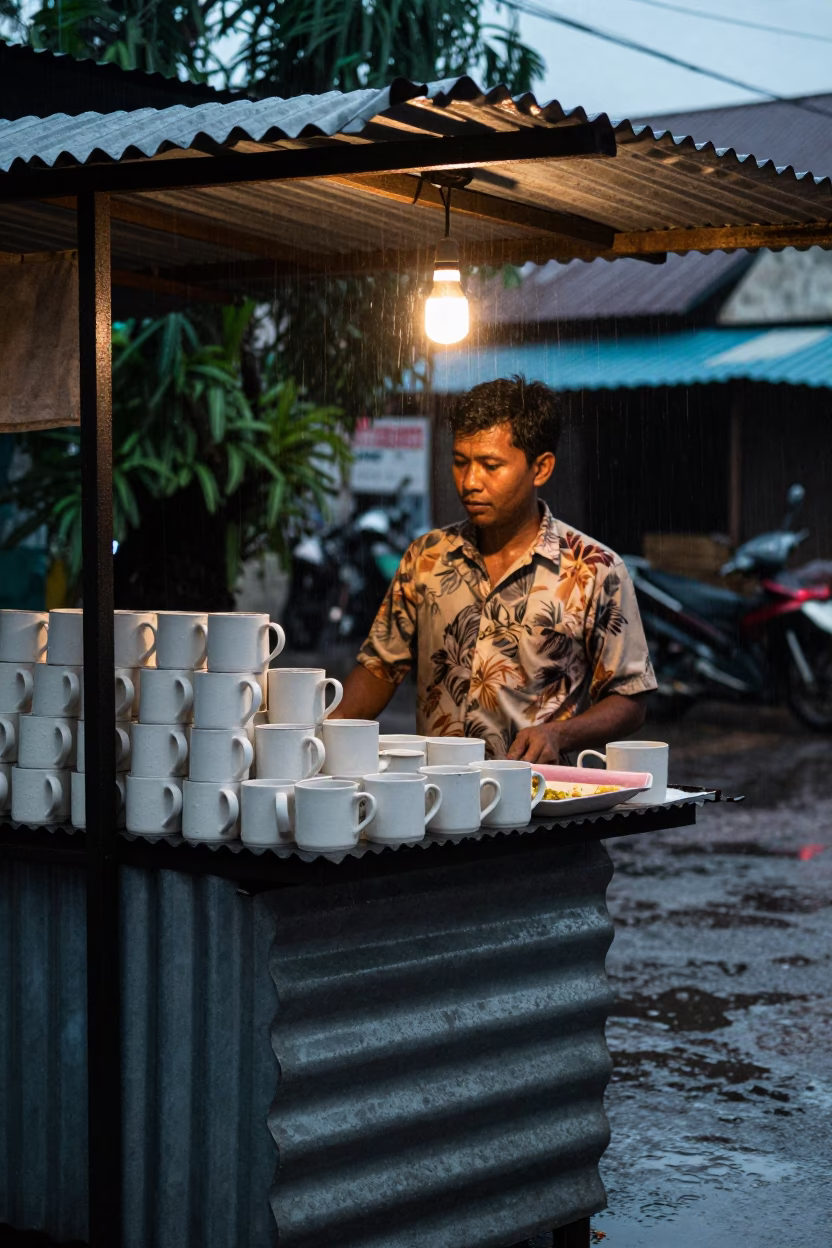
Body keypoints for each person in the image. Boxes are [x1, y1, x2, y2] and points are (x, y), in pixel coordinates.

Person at [332, 376, 657, 761]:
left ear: (541, 468)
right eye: (460, 463)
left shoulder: (595, 570)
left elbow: (629, 698)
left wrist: (559, 734)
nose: (470, 482)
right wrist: (319, 738)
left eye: (490, 465)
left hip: (538, 792)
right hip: (437, 789)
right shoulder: (426, 557)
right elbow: (379, 669)